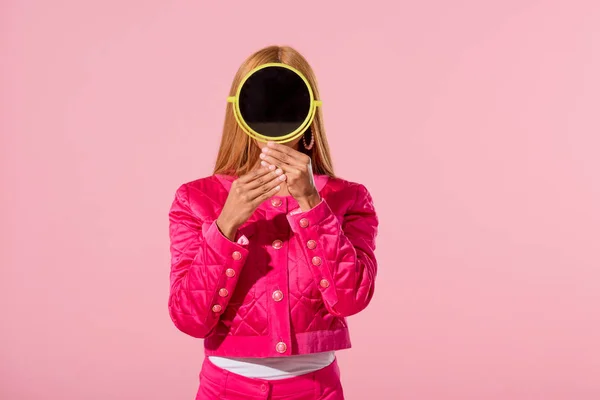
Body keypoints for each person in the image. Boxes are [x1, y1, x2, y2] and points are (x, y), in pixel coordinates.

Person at [168, 45, 379, 400]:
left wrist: (312, 204)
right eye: (264, 102)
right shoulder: (195, 199)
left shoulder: (349, 198)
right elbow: (189, 318)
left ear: (309, 112)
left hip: (316, 390)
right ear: (240, 111)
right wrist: (226, 224)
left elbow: (350, 301)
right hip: (224, 390)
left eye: (289, 102)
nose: (275, 120)